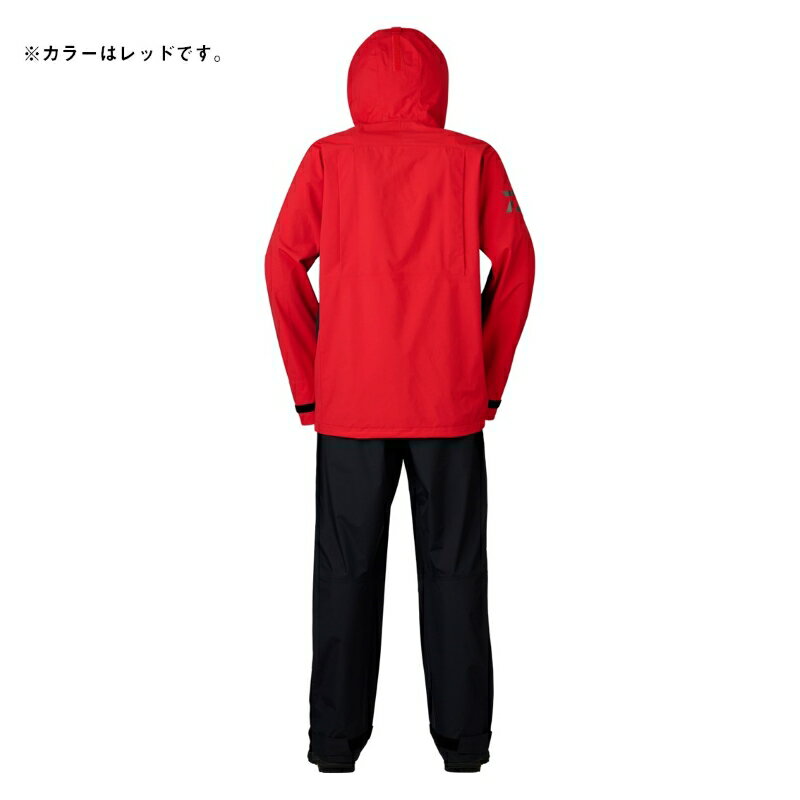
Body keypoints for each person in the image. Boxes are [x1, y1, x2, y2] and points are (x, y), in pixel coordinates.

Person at [264, 26, 535, 773]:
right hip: (448, 402)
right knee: (455, 570)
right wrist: (485, 378)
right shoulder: (472, 160)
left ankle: (334, 746)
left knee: (344, 572)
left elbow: (281, 261)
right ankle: (464, 748)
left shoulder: (329, 159)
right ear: (438, 86)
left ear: (358, 84)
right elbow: (518, 261)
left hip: (351, 405)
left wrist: (313, 384)